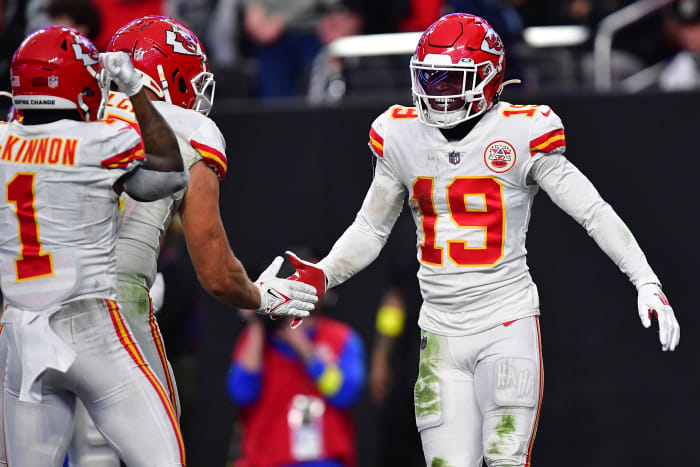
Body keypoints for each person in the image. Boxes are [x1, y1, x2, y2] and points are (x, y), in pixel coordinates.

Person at [284, 13, 681, 467]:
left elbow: (592, 211)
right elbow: (371, 228)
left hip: (505, 322)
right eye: (429, 77)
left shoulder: (521, 131)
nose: (436, 90)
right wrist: (324, 273)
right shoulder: (401, 134)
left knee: (506, 460)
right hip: (438, 331)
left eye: (450, 79)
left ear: (488, 79)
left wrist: (645, 279)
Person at [65, 15, 319, 467]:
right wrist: (261, 297)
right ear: (168, 74)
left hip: (30, 311)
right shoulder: (188, 128)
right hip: (114, 307)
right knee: (159, 454)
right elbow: (216, 273)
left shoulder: (59, 118)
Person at [0, 25, 189, 465]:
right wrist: (136, 88)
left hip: (20, 334)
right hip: (93, 329)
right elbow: (169, 174)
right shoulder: (99, 141)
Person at [227, 299, 365, 467]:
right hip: (266, 459)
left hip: (324, 460)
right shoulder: (259, 341)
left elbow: (345, 394)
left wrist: (306, 350)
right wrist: (256, 325)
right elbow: (242, 393)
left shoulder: (341, 337)